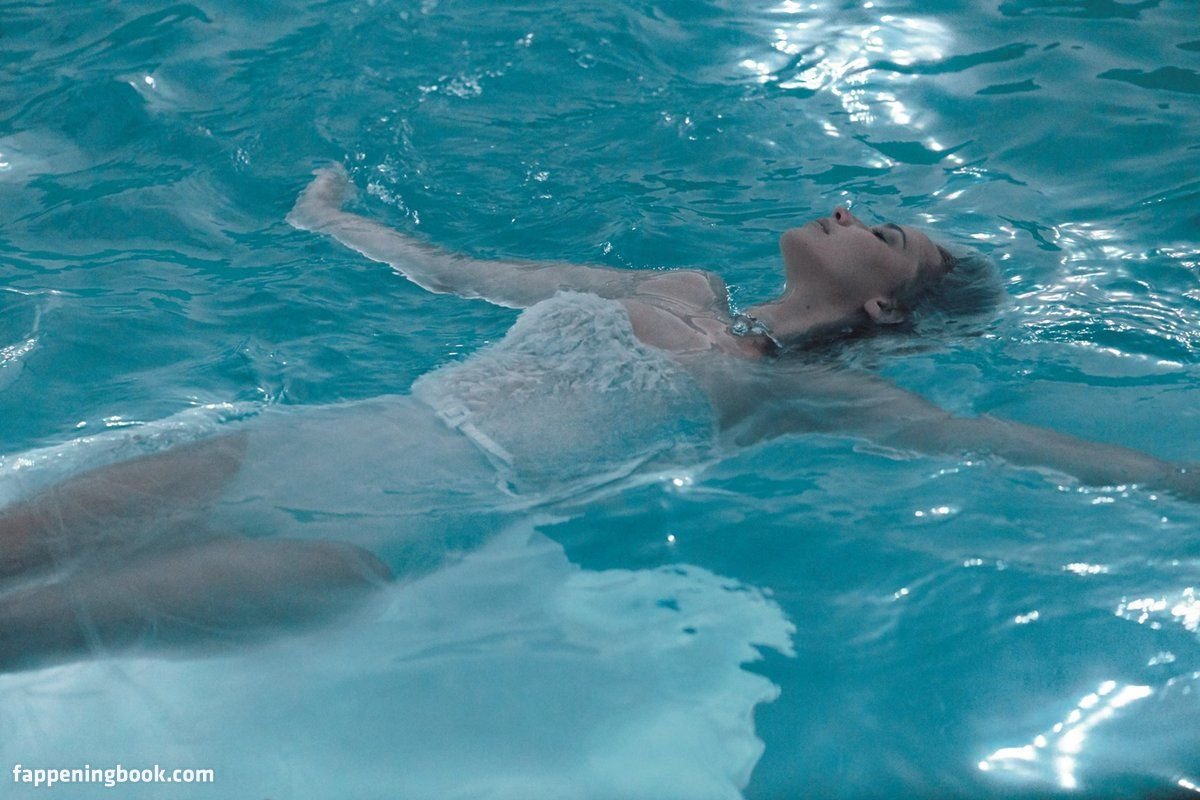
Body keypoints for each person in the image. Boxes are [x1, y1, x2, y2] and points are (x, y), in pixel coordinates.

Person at [1, 164, 1196, 672]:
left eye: (882, 231)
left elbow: (1018, 448)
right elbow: (456, 272)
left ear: (884, 303)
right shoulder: (675, 285)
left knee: (29, 629)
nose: (845, 209)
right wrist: (329, 219)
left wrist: (1176, 481)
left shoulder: (803, 394)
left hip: (382, 534)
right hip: (304, 445)